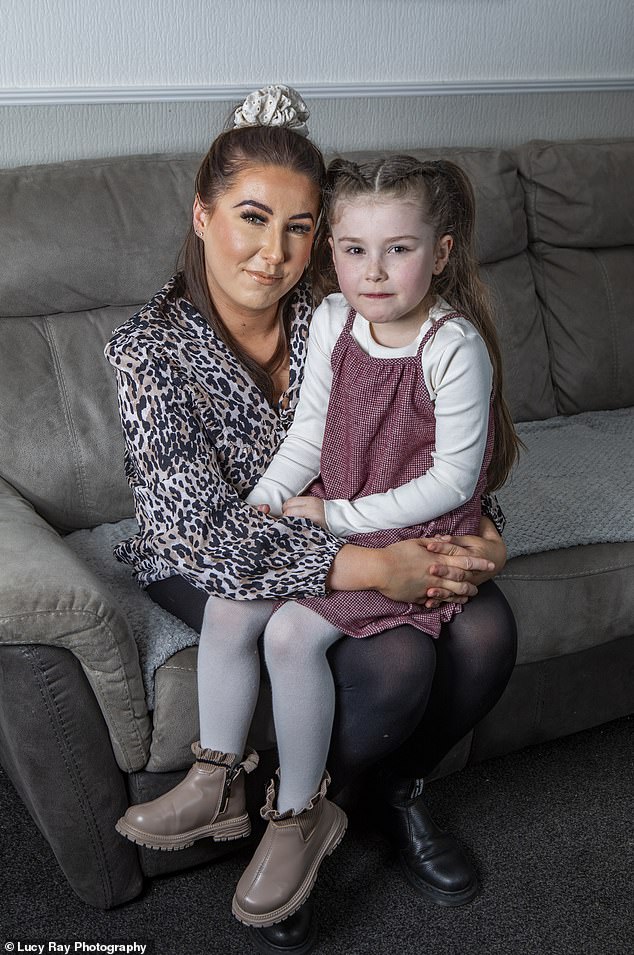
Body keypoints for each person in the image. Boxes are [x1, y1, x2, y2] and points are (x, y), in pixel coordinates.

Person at [106, 85, 517, 955]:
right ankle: (280, 815)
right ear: (204, 213)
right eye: (252, 218)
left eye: (299, 228)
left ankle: (392, 794)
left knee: (486, 630)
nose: (273, 252)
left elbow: (427, 443)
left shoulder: (340, 302)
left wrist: (481, 534)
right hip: (209, 550)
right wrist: (371, 567)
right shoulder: (150, 349)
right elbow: (202, 531)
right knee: (395, 659)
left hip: (349, 524)